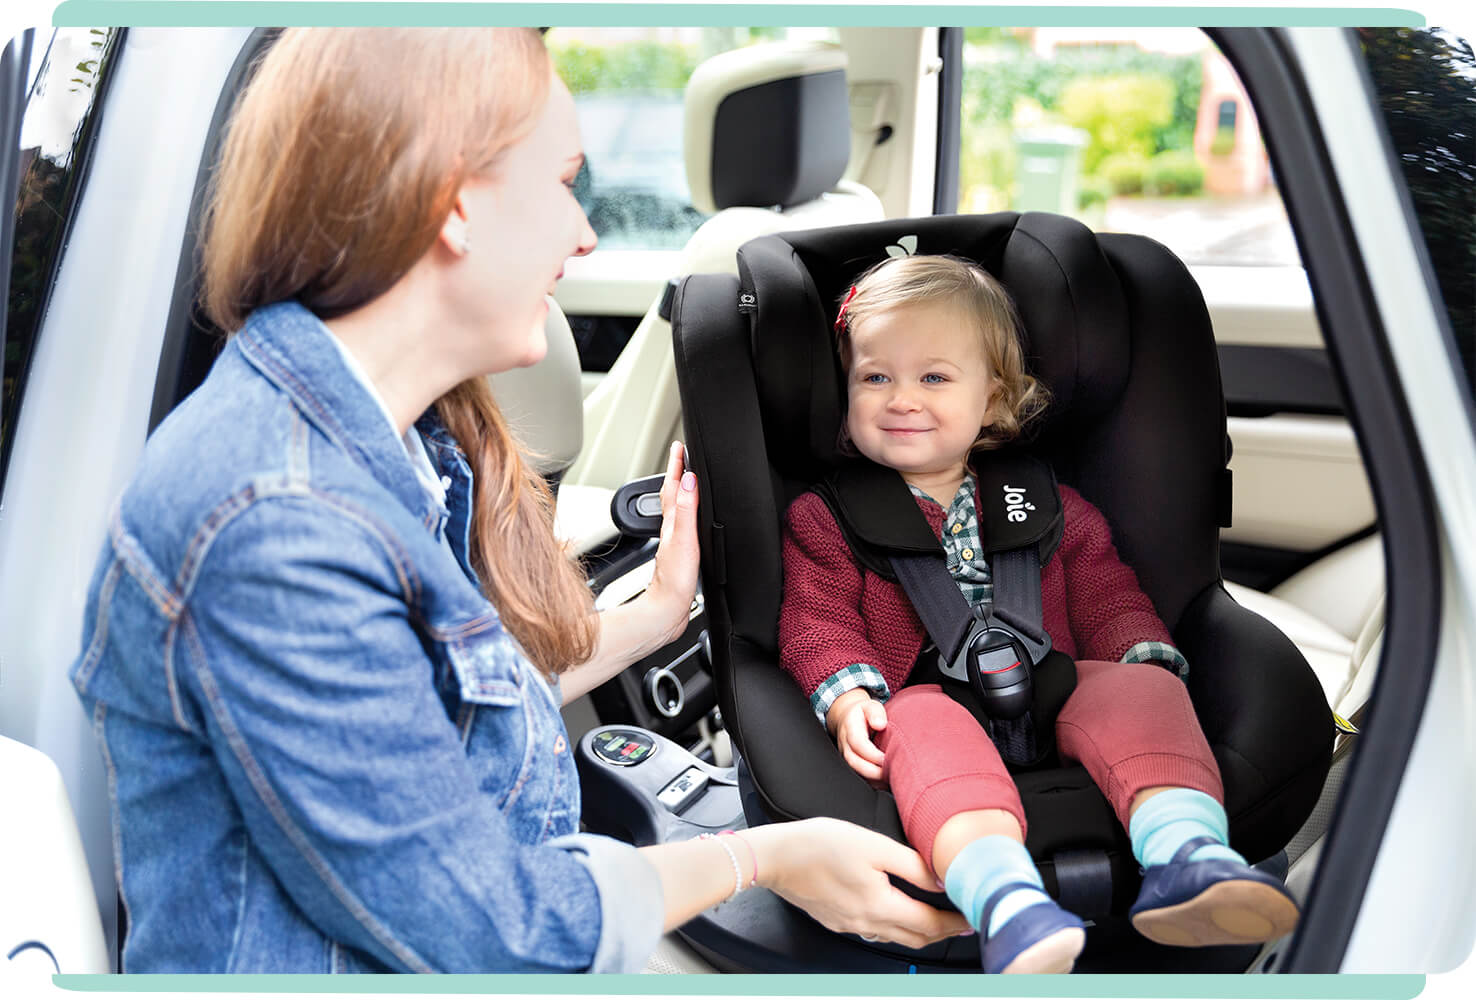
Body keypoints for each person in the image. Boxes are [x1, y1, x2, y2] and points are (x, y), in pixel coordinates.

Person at [68, 27, 970, 973]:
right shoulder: (277, 522)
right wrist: (763, 857)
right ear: (454, 201)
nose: (584, 232)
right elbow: (490, 927)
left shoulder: (402, 452)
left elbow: (443, 719)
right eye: (563, 181)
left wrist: (658, 612)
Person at [778, 254, 1300, 974]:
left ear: (993, 400)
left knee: (1142, 689)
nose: (901, 398)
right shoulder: (826, 518)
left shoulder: (1045, 504)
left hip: (1056, 682)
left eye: (933, 377)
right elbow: (816, 619)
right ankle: (1008, 903)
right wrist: (848, 696)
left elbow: (1104, 590)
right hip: (928, 697)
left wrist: (1139, 651)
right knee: (915, 721)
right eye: (875, 377)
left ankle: (1189, 855)